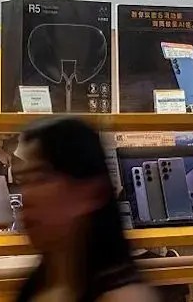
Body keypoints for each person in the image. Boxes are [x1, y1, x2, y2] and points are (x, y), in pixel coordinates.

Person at [13, 116, 157, 302]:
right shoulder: (37, 285)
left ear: (93, 192)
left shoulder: (124, 298)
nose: (26, 196)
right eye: (24, 181)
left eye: (41, 178)